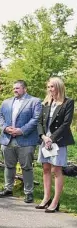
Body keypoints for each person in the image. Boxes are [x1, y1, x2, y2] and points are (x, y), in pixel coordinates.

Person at [0, 80, 42, 203]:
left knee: (26, 167)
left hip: (26, 140)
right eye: (14, 88)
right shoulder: (6, 102)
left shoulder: (34, 101)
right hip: (8, 138)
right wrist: (5, 128)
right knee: (8, 165)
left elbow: (36, 119)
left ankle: (28, 193)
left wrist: (21, 130)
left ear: (25, 89)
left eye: (18, 88)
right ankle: (8, 189)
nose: (15, 90)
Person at [36, 77, 74, 213]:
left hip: (58, 140)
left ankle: (55, 201)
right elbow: (39, 122)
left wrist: (51, 138)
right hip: (45, 140)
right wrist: (43, 136)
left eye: (52, 86)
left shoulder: (68, 102)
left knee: (56, 171)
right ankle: (46, 198)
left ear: (58, 87)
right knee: (46, 169)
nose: (50, 89)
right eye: (48, 87)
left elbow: (66, 124)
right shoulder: (46, 102)